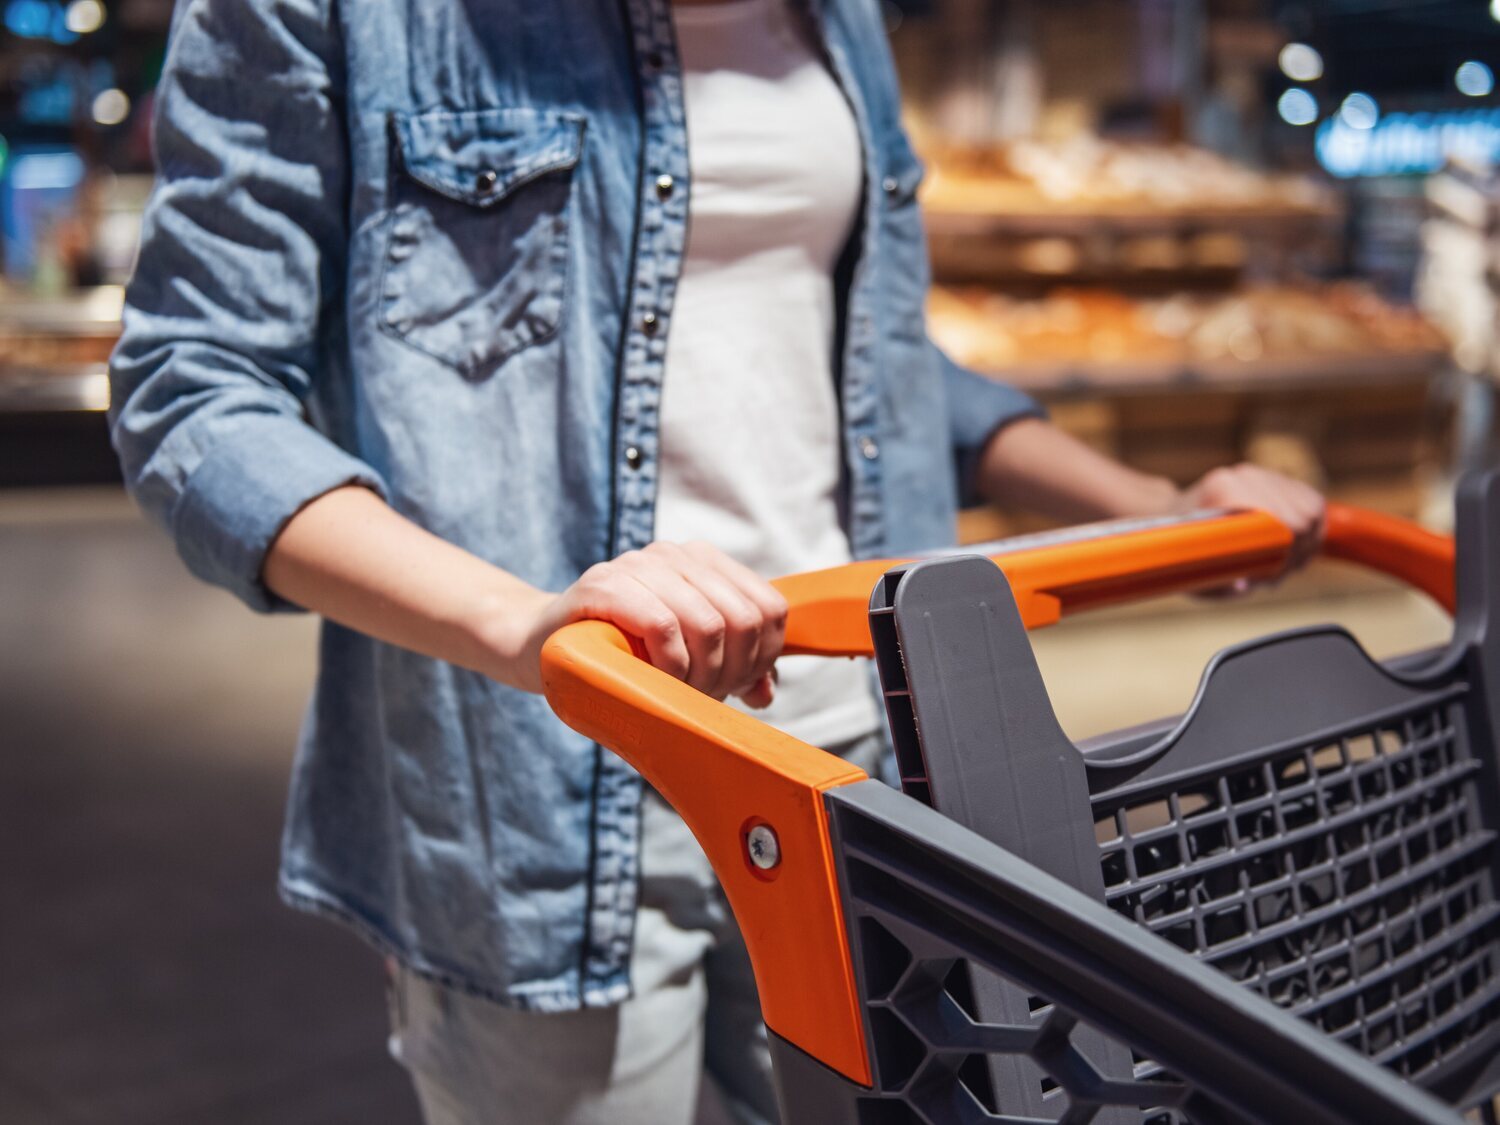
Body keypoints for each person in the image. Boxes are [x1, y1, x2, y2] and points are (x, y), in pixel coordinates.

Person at [108, 0, 1324, 1122]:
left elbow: (872, 362)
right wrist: (528, 630)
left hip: (858, 751)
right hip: (548, 785)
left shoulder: (833, 17)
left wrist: (1152, 506)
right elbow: (195, 394)